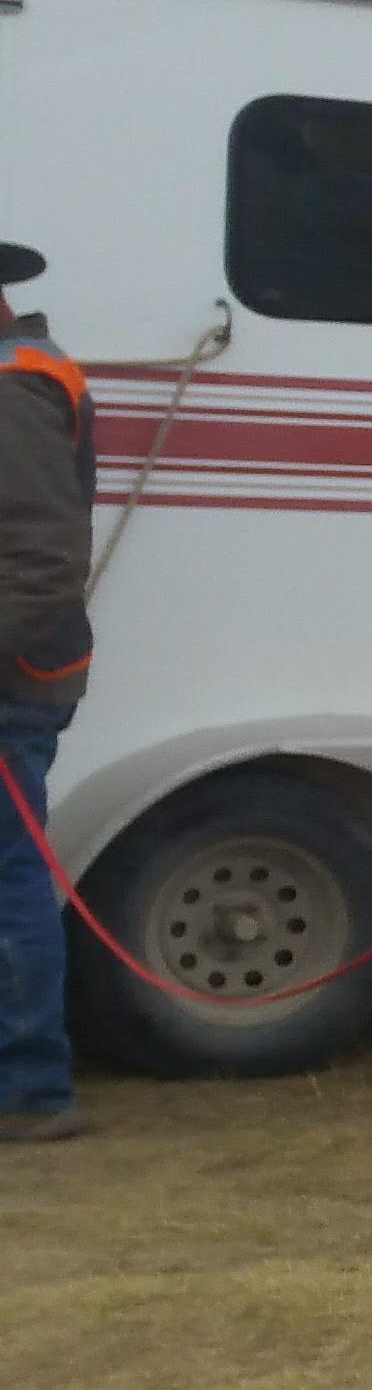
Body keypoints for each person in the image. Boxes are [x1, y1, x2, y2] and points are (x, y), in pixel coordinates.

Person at [1, 238, 91, 1140]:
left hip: (10, 680)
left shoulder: (13, 385)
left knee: (7, 882)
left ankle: (29, 1089)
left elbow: (40, 562)